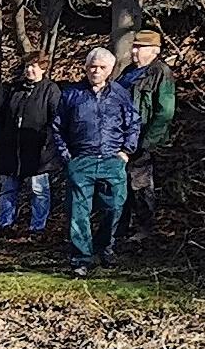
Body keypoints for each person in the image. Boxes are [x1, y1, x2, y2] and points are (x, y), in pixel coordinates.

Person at [48, 46, 140, 276]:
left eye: (101, 67)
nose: (96, 71)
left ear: (110, 69)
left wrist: (126, 152)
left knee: (115, 206)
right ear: (85, 68)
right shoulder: (71, 94)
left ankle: (104, 246)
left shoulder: (120, 94)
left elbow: (133, 123)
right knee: (78, 212)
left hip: (112, 160)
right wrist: (67, 157)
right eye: (92, 66)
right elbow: (57, 128)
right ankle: (81, 258)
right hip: (81, 160)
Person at [0, 56, 60, 235]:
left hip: (38, 151)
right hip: (10, 150)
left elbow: (56, 120)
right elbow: (1, 117)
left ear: (43, 69)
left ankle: (37, 227)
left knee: (39, 191)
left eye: (34, 66)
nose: (29, 70)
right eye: (27, 66)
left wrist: (47, 144)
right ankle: (5, 223)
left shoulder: (50, 90)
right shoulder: (14, 89)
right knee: (7, 189)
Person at [120, 30, 177, 243]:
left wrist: (147, 142)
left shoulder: (161, 73)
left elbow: (165, 111)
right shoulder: (127, 72)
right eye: (134, 46)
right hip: (122, 139)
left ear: (155, 51)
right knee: (120, 184)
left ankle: (145, 228)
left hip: (143, 140)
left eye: (140, 47)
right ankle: (121, 227)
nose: (134, 51)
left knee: (140, 184)